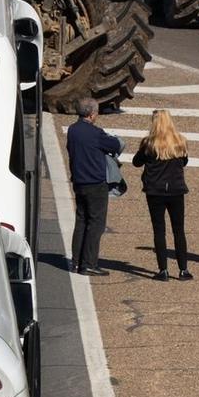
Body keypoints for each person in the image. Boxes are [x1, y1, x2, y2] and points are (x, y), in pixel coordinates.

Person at [66, 98, 123, 275]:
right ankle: (89, 263)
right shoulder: (95, 133)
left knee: (81, 221)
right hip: (95, 183)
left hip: (79, 182)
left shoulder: (73, 130)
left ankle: (76, 262)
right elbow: (115, 145)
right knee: (96, 224)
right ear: (91, 114)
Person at [134, 109, 192, 280]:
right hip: (176, 190)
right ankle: (183, 269)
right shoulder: (180, 141)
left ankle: (163, 270)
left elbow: (136, 162)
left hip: (155, 191)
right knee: (178, 230)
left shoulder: (149, 143)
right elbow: (184, 161)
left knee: (159, 230)